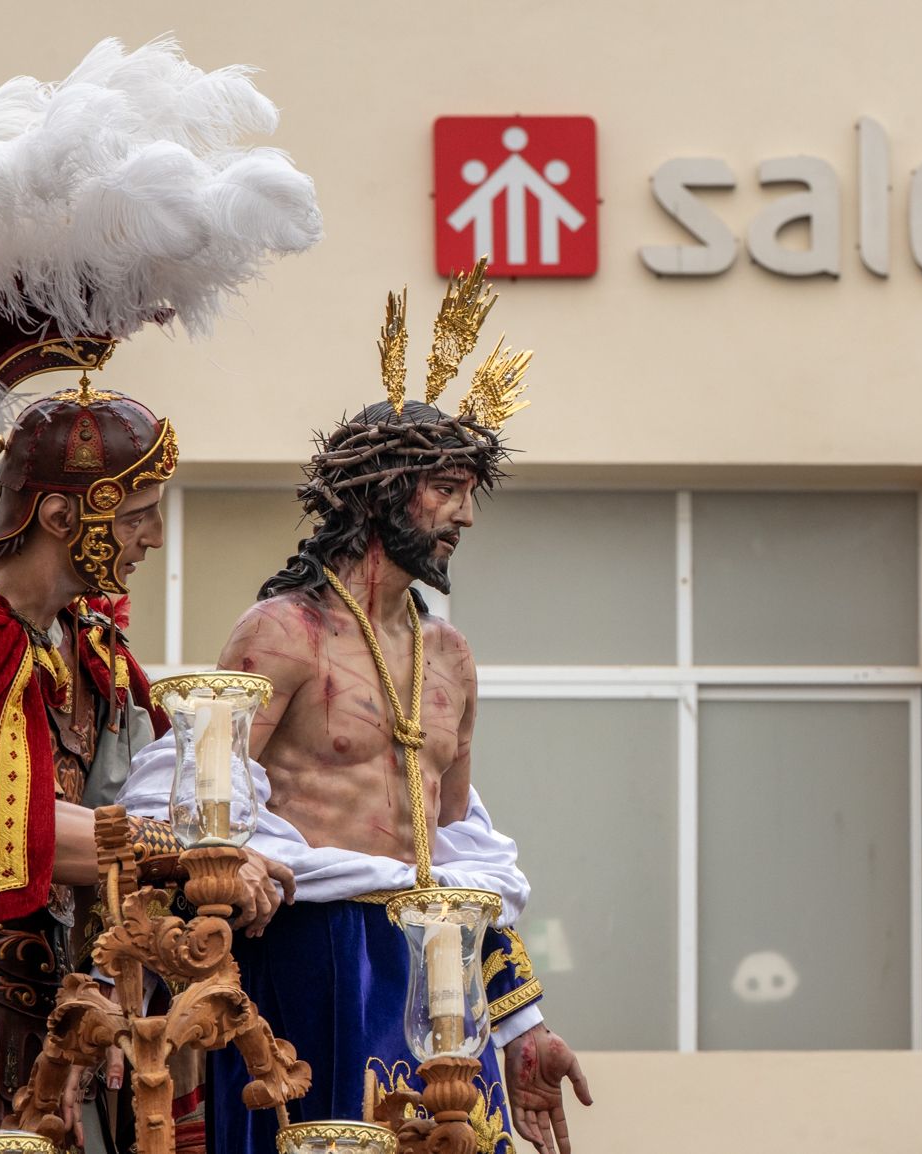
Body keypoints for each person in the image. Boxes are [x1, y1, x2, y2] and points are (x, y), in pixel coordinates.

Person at [0, 37, 322, 1139]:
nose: (154, 536)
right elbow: (0, 831)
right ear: (64, 513)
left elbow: (153, 795)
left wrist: (223, 850)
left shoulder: (93, 647)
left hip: (84, 1012)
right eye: (139, 510)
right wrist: (185, 853)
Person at [121, 261, 590, 1154]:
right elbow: (191, 801)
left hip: (434, 976)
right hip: (312, 950)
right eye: (444, 490)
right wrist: (235, 872)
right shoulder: (282, 632)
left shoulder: (450, 657)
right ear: (380, 494)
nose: (464, 517)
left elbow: (461, 856)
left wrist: (522, 1022)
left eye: (468, 493)